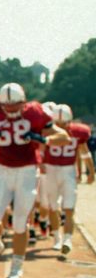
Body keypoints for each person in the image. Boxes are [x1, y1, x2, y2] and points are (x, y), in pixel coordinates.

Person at [0, 82, 68, 278]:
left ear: (23, 103)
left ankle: (17, 264)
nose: (11, 110)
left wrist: (42, 139)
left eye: (15, 106)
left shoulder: (35, 112)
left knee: (20, 221)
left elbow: (63, 136)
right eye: (7, 107)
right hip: (2, 169)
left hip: (26, 170)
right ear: (0, 105)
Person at [42, 104, 94, 256]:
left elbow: (84, 153)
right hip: (51, 169)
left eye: (63, 123)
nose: (59, 127)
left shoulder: (78, 132)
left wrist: (91, 171)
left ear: (69, 121)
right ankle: (57, 238)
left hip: (68, 170)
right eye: (57, 124)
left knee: (69, 208)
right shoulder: (47, 131)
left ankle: (67, 240)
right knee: (53, 207)